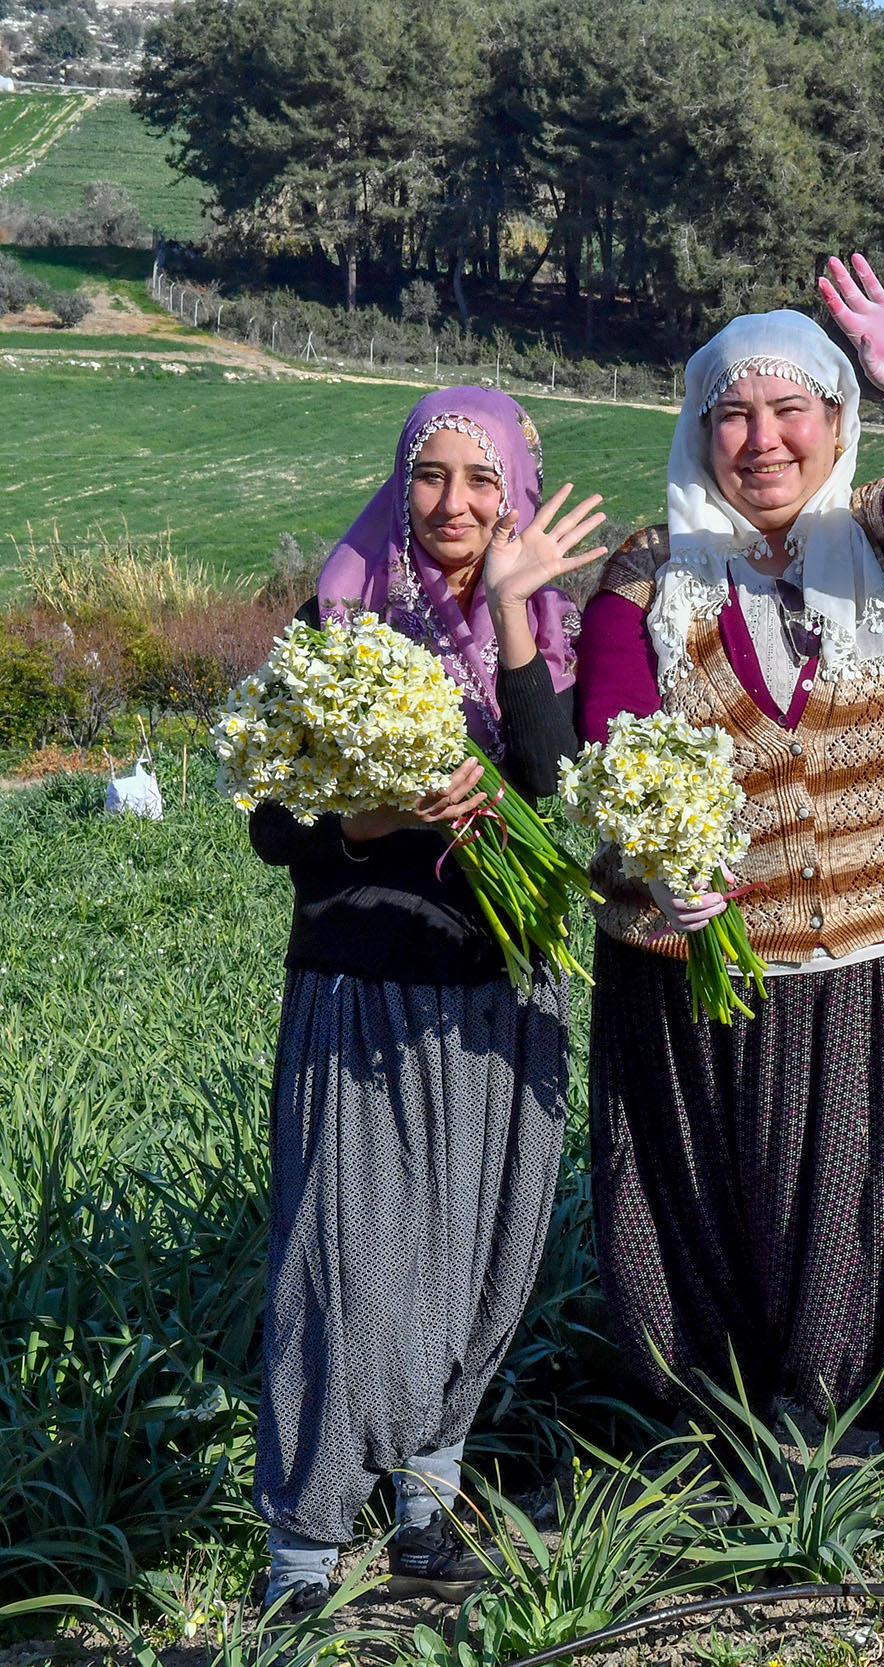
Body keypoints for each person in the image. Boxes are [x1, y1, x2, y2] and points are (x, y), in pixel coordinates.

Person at [571, 259, 884, 1585]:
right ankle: (781, 1453)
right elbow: (613, 745)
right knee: (765, 1205)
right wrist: (651, 870)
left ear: (839, 422)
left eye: (795, 410)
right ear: (696, 428)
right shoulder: (648, 574)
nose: (764, 439)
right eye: (734, 414)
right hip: (740, 960)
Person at [250, 387, 608, 1613]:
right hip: (365, 989)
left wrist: (509, 608)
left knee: (479, 1261)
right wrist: (379, 815)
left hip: (503, 991)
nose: (453, 505)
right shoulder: (339, 618)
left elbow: (551, 776)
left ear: (512, 492)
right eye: (428, 477)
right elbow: (272, 823)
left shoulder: (538, 624)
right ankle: (300, 1554)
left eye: (480, 481)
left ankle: (423, 1514)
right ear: (398, 485)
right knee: (346, 1271)